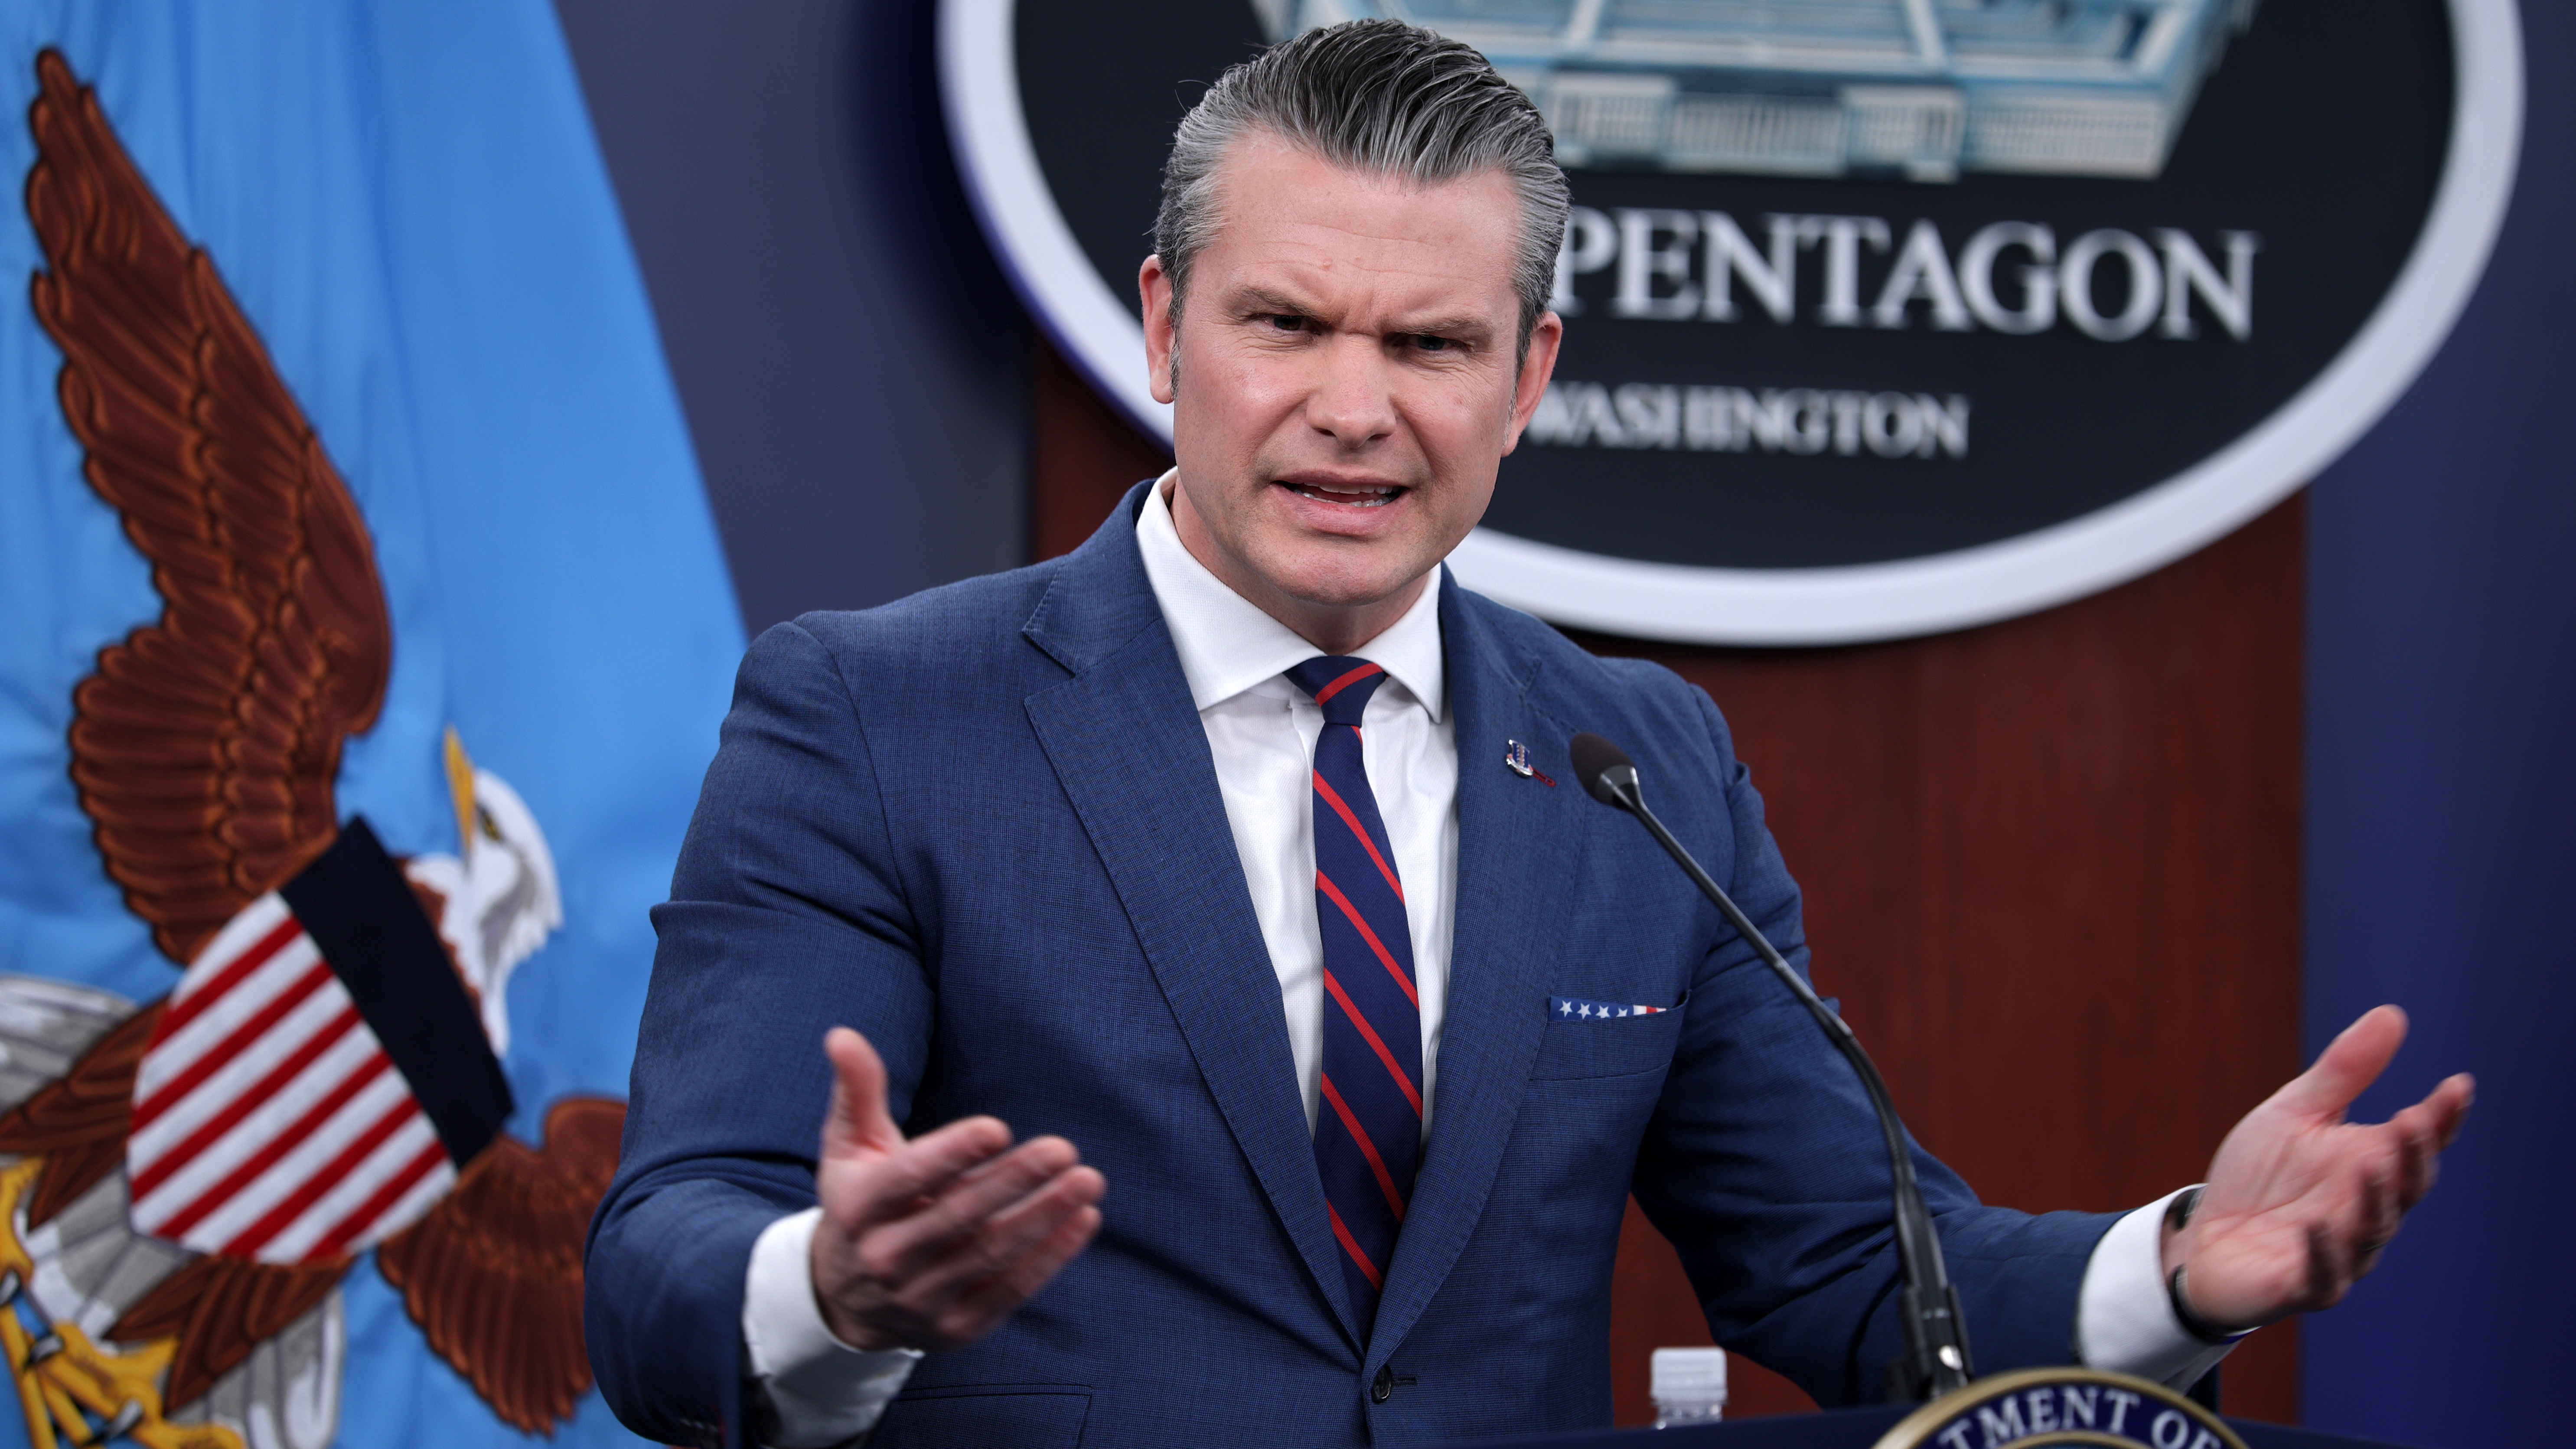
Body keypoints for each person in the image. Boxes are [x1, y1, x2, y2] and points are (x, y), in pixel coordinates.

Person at [584, 22, 2471, 1449]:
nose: (1352, 407)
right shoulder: (873, 713)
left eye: (1426, 345)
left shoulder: (1629, 758)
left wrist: (2176, 1270)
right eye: (1286, 322)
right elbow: (657, 1259)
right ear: (1163, 328)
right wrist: (826, 1287)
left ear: (1528, 376)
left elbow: (1847, 1268)